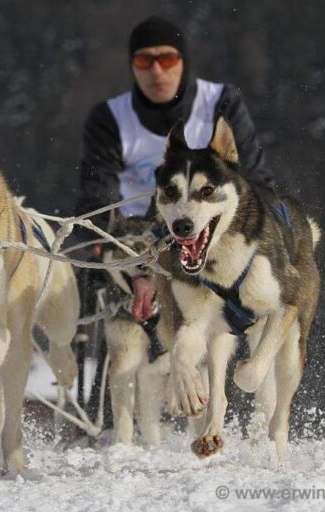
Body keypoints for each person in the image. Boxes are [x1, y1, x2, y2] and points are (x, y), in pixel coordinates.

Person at [73, 15, 277, 425]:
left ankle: (244, 409)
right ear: (132, 65)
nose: (156, 70)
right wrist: (111, 244)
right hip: (136, 236)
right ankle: (108, 414)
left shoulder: (219, 103)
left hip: (212, 231)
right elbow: (97, 190)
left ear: (183, 61)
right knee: (100, 274)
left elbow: (252, 177)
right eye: (144, 61)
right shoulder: (110, 117)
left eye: (166, 59)